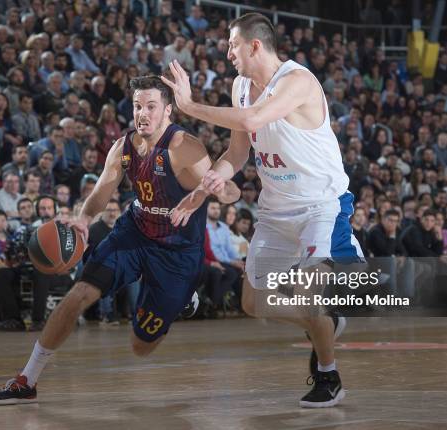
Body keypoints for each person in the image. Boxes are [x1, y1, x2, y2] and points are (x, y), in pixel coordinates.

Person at [0, 75, 240, 405]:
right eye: (137, 106)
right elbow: (101, 192)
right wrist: (84, 218)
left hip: (177, 252)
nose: (142, 113)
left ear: (168, 112)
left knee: (140, 345)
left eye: (151, 106)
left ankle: (184, 299)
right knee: (80, 293)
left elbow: (229, 191)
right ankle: (27, 379)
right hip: (134, 231)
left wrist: (222, 187)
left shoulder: (183, 148)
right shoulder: (123, 147)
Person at [161, 13, 364, 407]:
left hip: (320, 207)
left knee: (310, 297)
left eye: (233, 44)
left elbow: (253, 118)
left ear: (255, 45)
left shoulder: (298, 81)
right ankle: (327, 324)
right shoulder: (240, 86)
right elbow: (237, 153)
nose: (227, 51)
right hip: (275, 211)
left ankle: (329, 374)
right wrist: (208, 185)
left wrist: (187, 105)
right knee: (253, 304)